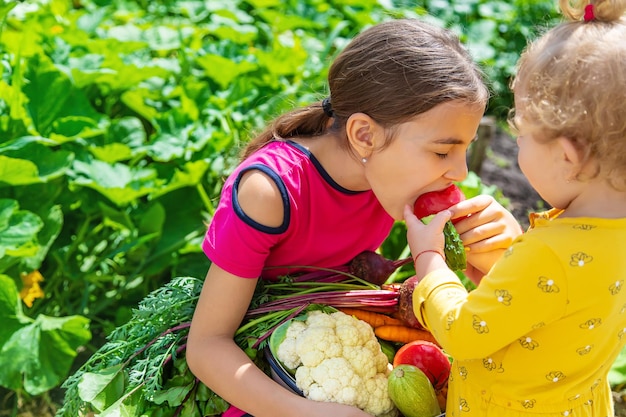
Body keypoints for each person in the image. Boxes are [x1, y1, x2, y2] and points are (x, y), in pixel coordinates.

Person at [186, 18, 522, 417]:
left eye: (464, 149)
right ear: (365, 135)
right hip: (259, 378)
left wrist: (501, 254)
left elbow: (491, 310)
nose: (460, 173)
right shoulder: (270, 191)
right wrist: (303, 413)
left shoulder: (393, 178)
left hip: (343, 341)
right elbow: (207, 346)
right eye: (442, 151)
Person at [403, 1, 626, 416]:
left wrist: (429, 260)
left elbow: (462, 333)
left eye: (520, 130)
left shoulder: (545, 254)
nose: (516, 140)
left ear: (567, 156)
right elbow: (558, 305)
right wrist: (502, 272)